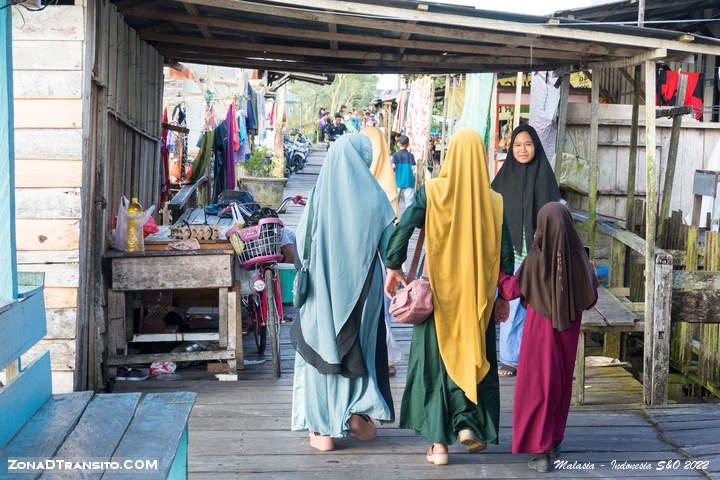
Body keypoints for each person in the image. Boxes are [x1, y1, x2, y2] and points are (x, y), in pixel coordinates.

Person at [384, 128, 515, 466]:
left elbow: (405, 226)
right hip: (478, 300)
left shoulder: (433, 191)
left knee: (436, 366)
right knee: (475, 358)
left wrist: (393, 265)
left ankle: (439, 446)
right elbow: (506, 254)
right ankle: (468, 424)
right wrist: (502, 296)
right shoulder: (494, 200)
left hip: (438, 294)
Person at [291, 134, 396, 452]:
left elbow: (300, 243)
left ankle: (322, 429)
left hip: (323, 293)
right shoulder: (377, 197)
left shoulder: (317, 195)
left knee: (322, 346)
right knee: (360, 347)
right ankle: (356, 411)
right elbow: (390, 251)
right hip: (365, 293)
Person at [497, 202, 598, 473]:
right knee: (560, 386)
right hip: (568, 335)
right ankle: (554, 441)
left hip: (538, 336)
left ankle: (540, 451)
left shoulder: (535, 259)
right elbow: (591, 299)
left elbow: (510, 291)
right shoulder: (581, 260)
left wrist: (496, 273)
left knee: (537, 387)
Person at [491, 124, 562, 378]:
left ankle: (531, 357)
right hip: (510, 254)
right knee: (511, 302)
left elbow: (557, 213)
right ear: (511, 148)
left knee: (536, 308)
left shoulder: (545, 175)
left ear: (536, 147)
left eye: (528, 144)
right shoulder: (503, 178)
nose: (523, 149)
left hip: (538, 252)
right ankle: (509, 358)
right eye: (518, 145)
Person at [361, 126, 402, 375]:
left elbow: (393, 229)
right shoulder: (378, 181)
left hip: (378, 259)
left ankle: (382, 355)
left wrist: (394, 265)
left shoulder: (384, 182)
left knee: (379, 309)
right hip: (363, 258)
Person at [391, 135, 416, 209]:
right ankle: (409, 219)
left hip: (398, 180)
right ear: (408, 144)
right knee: (409, 203)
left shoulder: (395, 155)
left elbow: (393, 166)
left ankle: (396, 219)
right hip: (408, 180)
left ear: (398, 144)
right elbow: (413, 167)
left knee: (395, 203)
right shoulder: (411, 155)